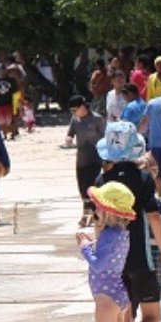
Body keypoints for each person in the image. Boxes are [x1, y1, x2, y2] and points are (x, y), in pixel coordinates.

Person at [94, 121, 161, 322]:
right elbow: (155, 217)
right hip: (141, 255)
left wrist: (98, 255)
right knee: (153, 316)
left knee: (124, 316)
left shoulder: (102, 180)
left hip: (115, 258)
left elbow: (98, 223)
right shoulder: (143, 178)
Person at [79, 181, 136, 322]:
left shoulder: (110, 234)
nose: (96, 210)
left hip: (105, 297)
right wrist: (93, 243)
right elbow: (109, 257)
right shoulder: (121, 232)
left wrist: (84, 247)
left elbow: (99, 264)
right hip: (120, 293)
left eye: (99, 207)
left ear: (108, 210)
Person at [67, 96, 107, 227]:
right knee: (82, 189)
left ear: (83, 106)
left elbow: (105, 138)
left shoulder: (97, 119)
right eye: (71, 111)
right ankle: (87, 213)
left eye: (75, 109)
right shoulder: (75, 119)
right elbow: (71, 133)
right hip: (81, 159)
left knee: (93, 188)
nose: (73, 113)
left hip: (95, 159)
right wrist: (69, 138)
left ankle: (91, 216)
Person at [145, 81, 161, 199]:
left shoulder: (152, 103)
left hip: (154, 145)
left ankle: (159, 199)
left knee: (157, 175)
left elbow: (144, 124)